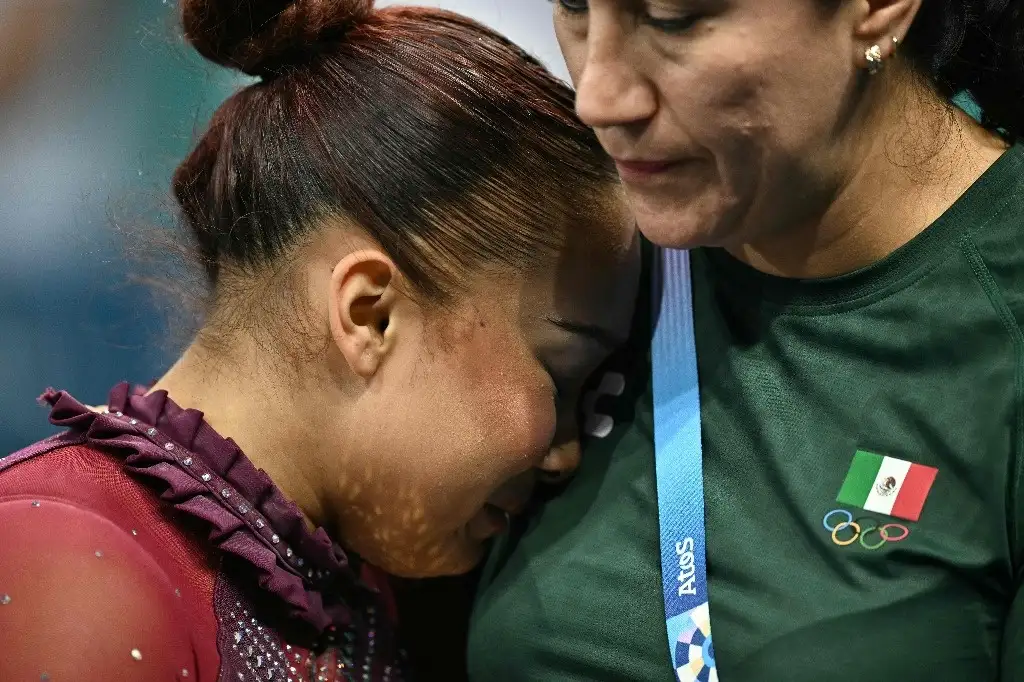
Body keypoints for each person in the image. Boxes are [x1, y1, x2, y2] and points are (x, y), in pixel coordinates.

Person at [0, 0, 639, 680]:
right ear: (370, 315)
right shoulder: (67, 565)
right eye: (562, 372)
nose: (565, 455)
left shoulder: (367, 581)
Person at [468, 0, 1024, 680]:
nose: (599, 97)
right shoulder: (563, 236)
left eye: (672, 16)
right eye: (577, 6)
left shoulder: (1002, 324)